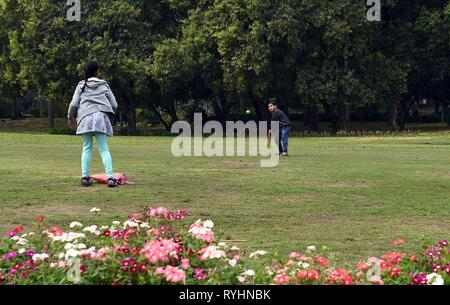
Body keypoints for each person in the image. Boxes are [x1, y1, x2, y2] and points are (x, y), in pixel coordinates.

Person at [67, 61, 119, 187]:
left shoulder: (81, 85)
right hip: (100, 118)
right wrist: (108, 113)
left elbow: (74, 104)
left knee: (87, 148)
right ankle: (111, 178)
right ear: (97, 72)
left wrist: (70, 117)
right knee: (104, 149)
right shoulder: (104, 85)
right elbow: (115, 104)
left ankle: (85, 177)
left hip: (85, 118)